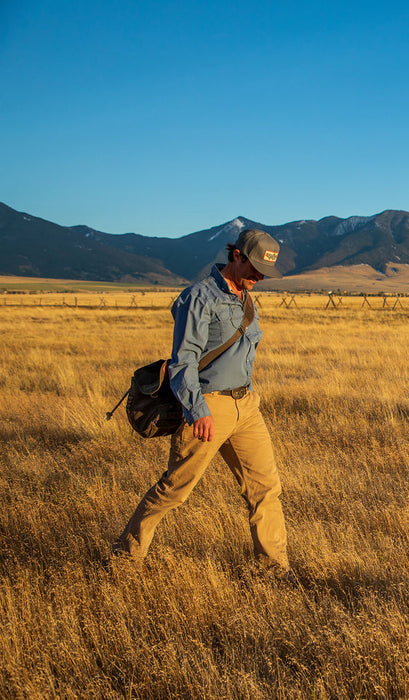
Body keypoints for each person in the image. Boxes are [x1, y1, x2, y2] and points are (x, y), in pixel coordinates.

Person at [112, 228, 291, 577]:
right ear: (235, 255)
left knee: (266, 489)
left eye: (264, 273)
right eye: (254, 268)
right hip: (210, 407)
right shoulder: (199, 297)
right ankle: (124, 556)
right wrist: (198, 410)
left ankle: (272, 569)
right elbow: (183, 361)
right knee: (175, 489)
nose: (258, 277)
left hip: (246, 406)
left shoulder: (244, 296)